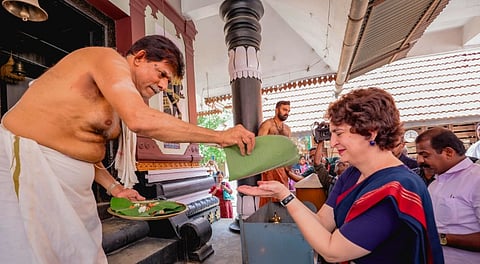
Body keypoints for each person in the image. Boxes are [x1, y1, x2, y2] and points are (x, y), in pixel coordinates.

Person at [0, 35, 255, 264]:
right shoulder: (108, 58)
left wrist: (115, 188)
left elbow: (81, 145)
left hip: (73, 190)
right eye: (162, 73)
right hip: (28, 163)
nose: (163, 86)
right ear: (140, 57)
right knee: (36, 255)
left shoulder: (113, 95)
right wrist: (220, 137)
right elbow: (140, 120)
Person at [238, 87, 443, 263]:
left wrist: (287, 197)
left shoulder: (397, 188)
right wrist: (283, 193)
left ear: (371, 133)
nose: (333, 142)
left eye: (339, 133)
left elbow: (333, 251)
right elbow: (323, 224)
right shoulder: (353, 174)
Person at [415, 127, 480, 263]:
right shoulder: (434, 184)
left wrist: (439, 238)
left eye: (425, 155)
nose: (419, 161)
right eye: (418, 155)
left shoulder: (476, 179)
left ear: (448, 152)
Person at [257, 100, 298, 207]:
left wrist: (288, 166)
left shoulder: (287, 129)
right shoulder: (267, 125)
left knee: (282, 193)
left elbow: (287, 149)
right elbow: (259, 145)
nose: (287, 113)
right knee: (269, 193)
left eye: (288, 111)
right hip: (269, 165)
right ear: (276, 110)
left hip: (283, 166)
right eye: (284, 110)